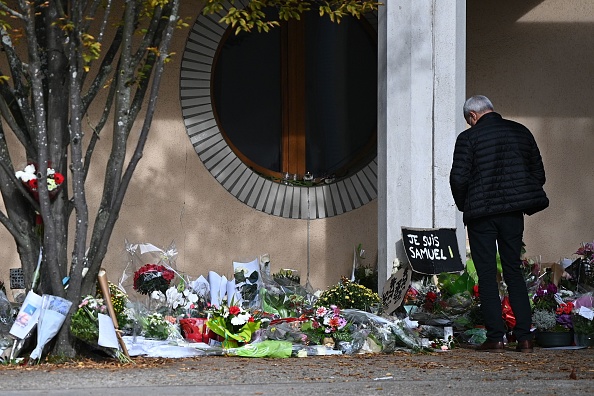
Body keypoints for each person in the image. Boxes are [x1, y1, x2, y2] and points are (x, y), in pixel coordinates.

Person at [450, 95, 549, 353]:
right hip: (512, 214)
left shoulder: (468, 139)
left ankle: (495, 338)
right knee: (513, 271)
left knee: (486, 275)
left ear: (472, 116)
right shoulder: (521, 132)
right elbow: (538, 173)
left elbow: (458, 179)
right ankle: (525, 338)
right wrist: (519, 196)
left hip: (482, 215)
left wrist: (466, 204)